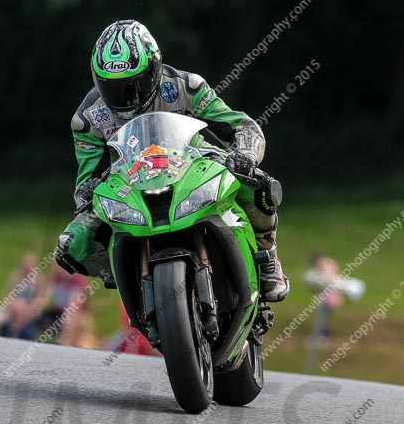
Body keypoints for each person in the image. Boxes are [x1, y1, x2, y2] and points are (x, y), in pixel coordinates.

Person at [55, 19, 289, 302]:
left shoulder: (186, 87)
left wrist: (245, 154)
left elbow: (242, 126)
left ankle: (268, 256)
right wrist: (87, 191)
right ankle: (123, 272)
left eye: (133, 85)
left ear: (153, 70)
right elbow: (86, 182)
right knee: (71, 244)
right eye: (112, 88)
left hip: (194, 163)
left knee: (260, 185)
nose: (124, 97)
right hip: (128, 184)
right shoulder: (87, 119)